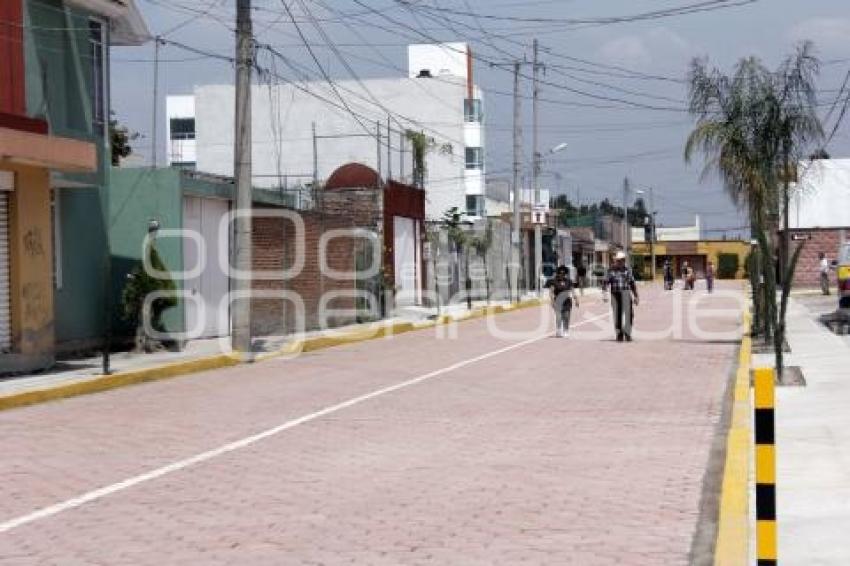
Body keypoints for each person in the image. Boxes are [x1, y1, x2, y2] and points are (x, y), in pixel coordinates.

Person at [602, 251, 639, 342]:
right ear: (616, 260)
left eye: (622, 260)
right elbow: (605, 283)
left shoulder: (627, 270)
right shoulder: (610, 270)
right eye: (619, 260)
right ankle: (619, 334)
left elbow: (632, 283)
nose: (621, 262)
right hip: (615, 295)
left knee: (629, 315)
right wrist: (605, 294)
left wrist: (636, 296)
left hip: (626, 294)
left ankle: (627, 334)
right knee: (617, 316)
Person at [545, 265, 579, 338]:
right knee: (559, 317)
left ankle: (566, 330)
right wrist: (552, 301)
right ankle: (558, 330)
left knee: (566, 317)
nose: (562, 274)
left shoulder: (569, 281)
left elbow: (573, 291)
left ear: (565, 274)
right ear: (558, 273)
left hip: (567, 301)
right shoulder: (554, 281)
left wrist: (576, 299)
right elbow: (551, 292)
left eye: (563, 273)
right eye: (560, 273)